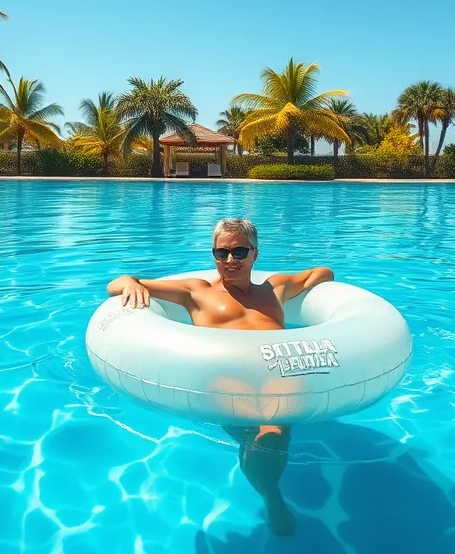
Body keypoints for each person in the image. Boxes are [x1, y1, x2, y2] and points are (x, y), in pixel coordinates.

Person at [106, 218, 334, 535]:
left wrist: (319, 277)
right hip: (229, 392)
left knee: (273, 430)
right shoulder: (195, 292)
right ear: (213, 255)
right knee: (268, 436)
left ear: (255, 253)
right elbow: (117, 282)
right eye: (221, 253)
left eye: (240, 251)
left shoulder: (275, 289)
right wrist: (130, 283)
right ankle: (271, 495)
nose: (230, 261)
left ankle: (265, 475)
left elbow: (322, 273)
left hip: (279, 387)